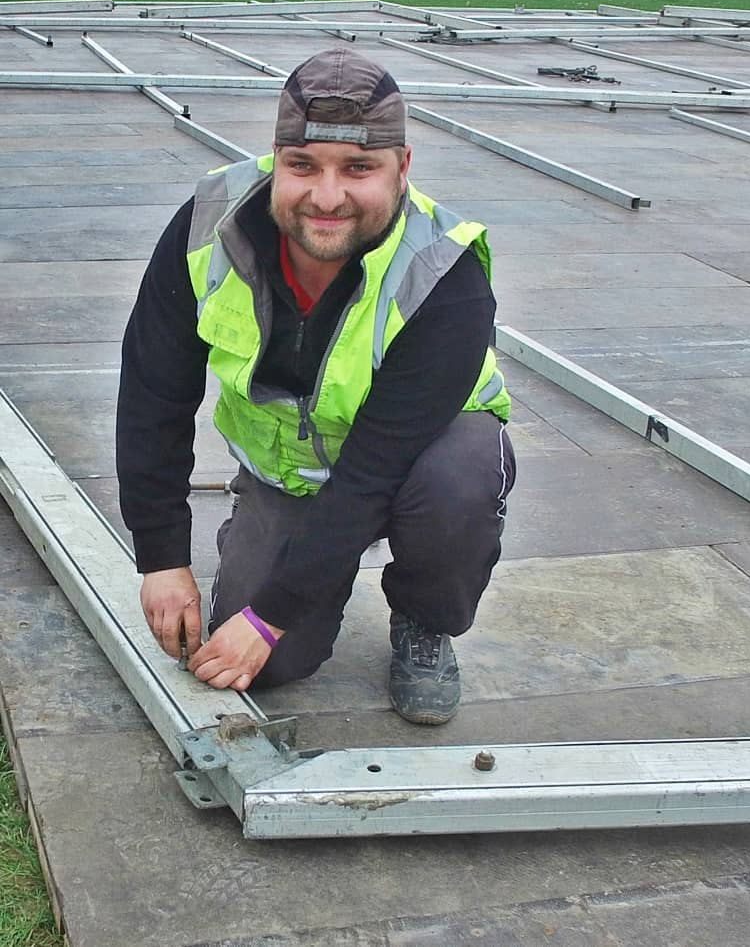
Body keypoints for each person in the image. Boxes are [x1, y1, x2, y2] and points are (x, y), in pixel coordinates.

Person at [116, 48, 515, 725]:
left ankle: (425, 619)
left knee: (462, 477)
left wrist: (270, 613)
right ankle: (266, 543)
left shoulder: (443, 275)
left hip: (412, 466)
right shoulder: (205, 228)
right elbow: (154, 392)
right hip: (289, 478)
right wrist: (160, 555)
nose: (326, 196)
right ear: (276, 159)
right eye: (303, 166)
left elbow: (374, 473)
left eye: (359, 168)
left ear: (403, 168)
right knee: (264, 669)